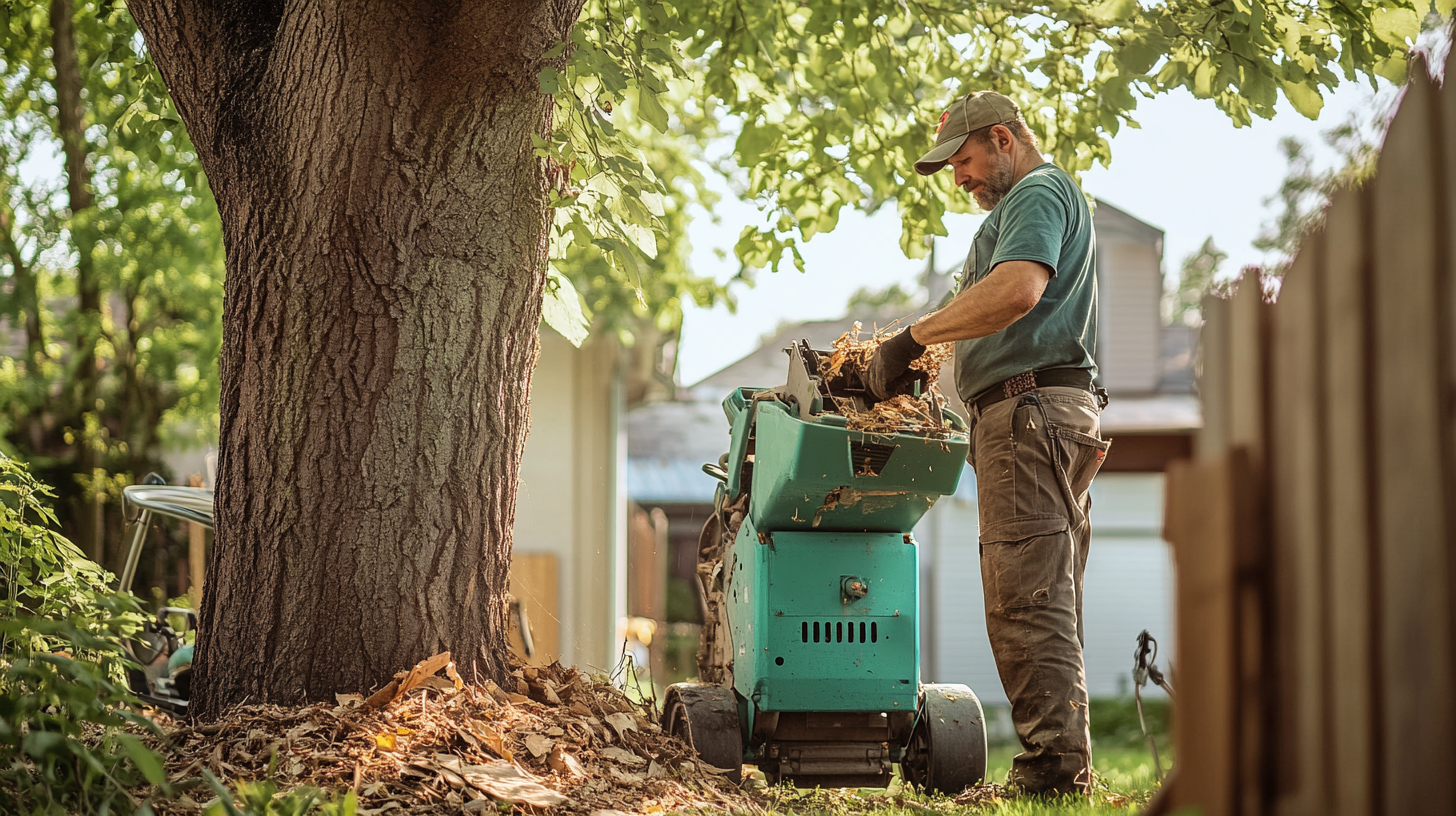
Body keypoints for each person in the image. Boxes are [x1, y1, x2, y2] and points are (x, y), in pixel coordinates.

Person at [865, 90, 1108, 796]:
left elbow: (1016, 292)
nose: (959, 178)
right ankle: (1064, 765)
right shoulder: (1032, 201)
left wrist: (913, 336)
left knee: (1025, 596)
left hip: (1028, 415)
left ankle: (1051, 776)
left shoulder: (1035, 191)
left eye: (964, 160)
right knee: (1046, 593)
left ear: (1003, 138)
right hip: (1042, 414)